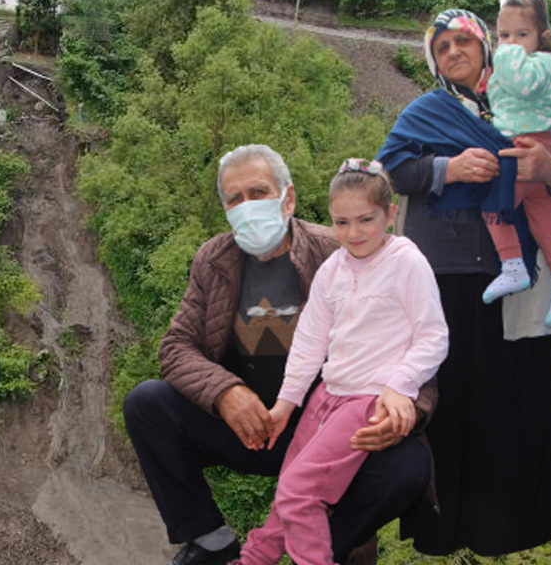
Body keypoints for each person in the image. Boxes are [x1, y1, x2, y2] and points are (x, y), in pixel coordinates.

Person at [123, 144, 436, 565]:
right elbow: (177, 347)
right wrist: (224, 392)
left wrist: (409, 407)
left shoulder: (341, 250)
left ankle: (322, 547)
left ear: (287, 198)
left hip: (334, 423)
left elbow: (417, 341)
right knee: (147, 403)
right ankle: (210, 541)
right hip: (257, 427)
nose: (247, 206)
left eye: (258, 192)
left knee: (409, 464)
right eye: (235, 199)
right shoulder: (213, 261)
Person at [375, 9, 551, 557]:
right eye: (441, 46)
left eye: (463, 41)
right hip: (443, 280)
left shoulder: (526, 107)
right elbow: (389, 171)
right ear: (434, 60)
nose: (453, 52)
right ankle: (439, 530)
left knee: (508, 408)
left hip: (514, 284)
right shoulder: (425, 111)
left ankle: (506, 533)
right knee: (444, 406)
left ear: (486, 47)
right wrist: (448, 169)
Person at [232, 159, 448, 565]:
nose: (353, 233)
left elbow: (433, 336)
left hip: (365, 401)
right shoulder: (333, 268)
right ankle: (252, 560)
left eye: (366, 219)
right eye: (341, 222)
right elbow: (310, 341)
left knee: (301, 494)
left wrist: (400, 385)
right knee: (288, 490)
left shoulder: (406, 261)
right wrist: (286, 403)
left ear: (391, 213)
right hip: (326, 398)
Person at [481, 0, 551, 328]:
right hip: (541, 145)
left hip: (527, 148)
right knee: (543, 225)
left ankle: (513, 266)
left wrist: (506, 57)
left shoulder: (537, 67)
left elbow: (523, 85)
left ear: (542, 36)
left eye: (521, 35)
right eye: (503, 36)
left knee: (493, 203)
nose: (510, 45)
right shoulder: (547, 67)